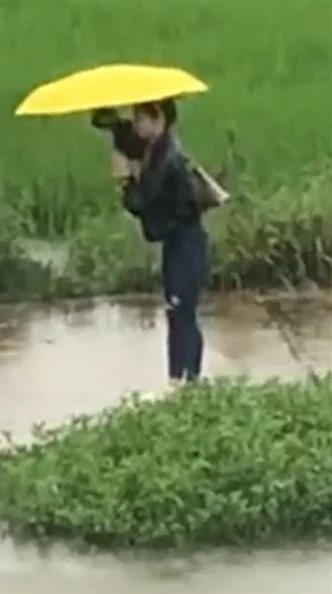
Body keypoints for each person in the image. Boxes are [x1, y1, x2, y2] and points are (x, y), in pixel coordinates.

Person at [120, 99, 208, 385]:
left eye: (141, 119)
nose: (137, 125)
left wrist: (128, 182)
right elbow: (126, 140)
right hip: (178, 243)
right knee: (176, 312)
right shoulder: (160, 150)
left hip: (185, 245)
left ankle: (189, 381)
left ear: (158, 120)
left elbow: (144, 202)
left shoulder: (167, 159)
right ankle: (178, 380)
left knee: (182, 311)